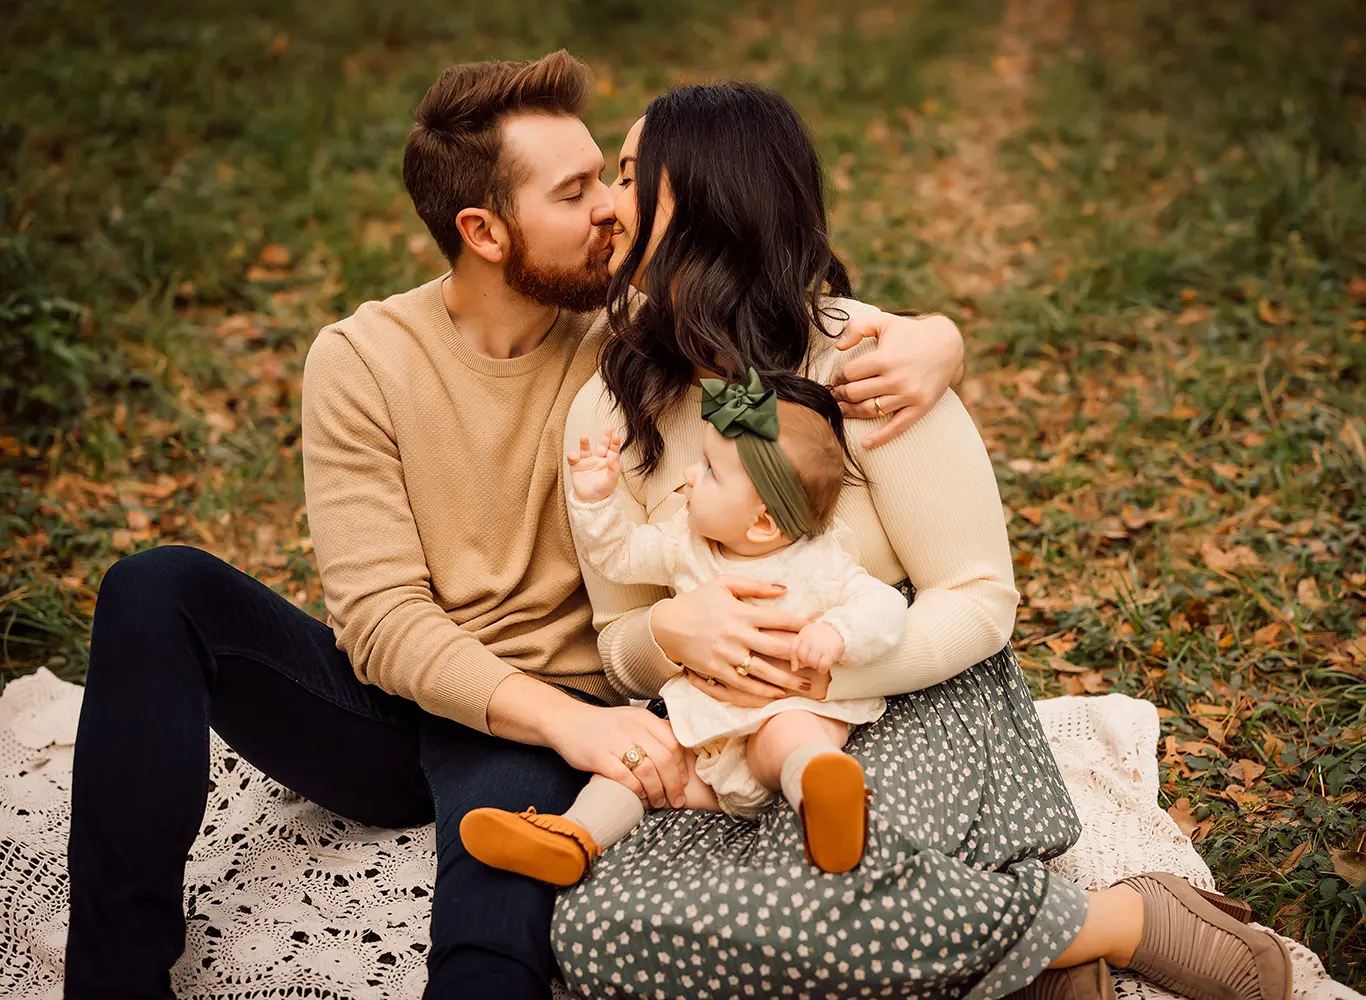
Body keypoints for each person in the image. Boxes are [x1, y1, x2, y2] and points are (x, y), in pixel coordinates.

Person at [63, 52, 968, 1000]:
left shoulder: (640, 340)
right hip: (415, 709)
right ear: (484, 230)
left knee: (488, 957)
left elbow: (786, 319)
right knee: (154, 587)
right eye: (577, 192)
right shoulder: (362, 360)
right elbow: (376, 620)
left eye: (606, 182)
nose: (612, 211)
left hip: (538, 727)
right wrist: (573, 728)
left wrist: (934, 336)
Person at [552, 82, 1295, 1000]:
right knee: (596, 933)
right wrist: (672, 637)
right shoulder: (610, 408)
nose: (605, 206)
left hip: (913, 698)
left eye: (629, 177)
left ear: (709, 196)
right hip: (720, 734)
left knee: (820, 898)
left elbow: (979, 594)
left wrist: (828, 672)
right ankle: (1053, 953)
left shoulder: (869, 362)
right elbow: (618, 637)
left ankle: (1136, 917)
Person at [461, 370, 905, 883]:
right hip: (701, 739)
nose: (689, 475)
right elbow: (620, 557)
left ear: (762, 522)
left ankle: (821, 792)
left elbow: (883, 606)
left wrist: (839, 634)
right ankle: (574, 837)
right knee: (639, 767)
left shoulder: (823, 561)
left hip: (782, 714)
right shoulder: (683, 541)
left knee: (790, 736)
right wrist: (595, 499)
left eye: (711, 470)